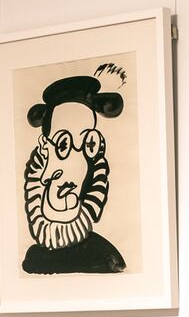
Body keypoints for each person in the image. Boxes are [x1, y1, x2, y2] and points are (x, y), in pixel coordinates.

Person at [21, 74, 126, 274]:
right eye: (63, 145)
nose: (76, 162)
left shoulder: (107, 258)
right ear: (45, 149)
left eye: (87, 145)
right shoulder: (32, 259)